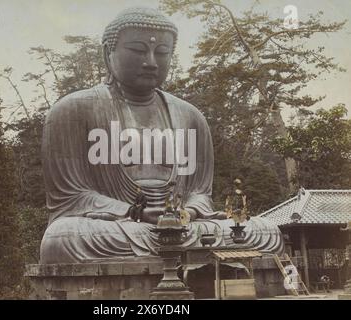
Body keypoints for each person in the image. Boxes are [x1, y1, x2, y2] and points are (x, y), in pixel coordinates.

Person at [40, 7, 284, 264]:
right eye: (137, 50)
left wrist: (186, 213)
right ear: (107, 53)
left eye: (162, 52)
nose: (151, 62)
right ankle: (184, 251)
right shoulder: (72, 110)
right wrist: (135, 213)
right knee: (62, 238)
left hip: (183, 227)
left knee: (266, 231)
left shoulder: (190, 116)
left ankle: (179, 246)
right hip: (120, 227)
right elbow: (71, 197)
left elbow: (200, 192)